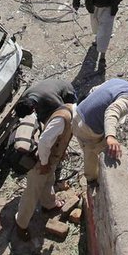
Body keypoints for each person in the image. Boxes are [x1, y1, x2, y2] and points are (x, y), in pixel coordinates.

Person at [13, 81, 77, 241]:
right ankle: (21, 225)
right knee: (31, 193)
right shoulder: (62, 117)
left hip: (48, 155)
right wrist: (44, 163)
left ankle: (49, 205)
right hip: (39, 159)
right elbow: (45, 140)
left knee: (49, 179)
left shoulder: (63, 110)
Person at [72, 77, 128, 182]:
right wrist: (111, 136)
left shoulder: (118, 81)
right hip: (87, 128)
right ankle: (92, 179)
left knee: (89, 144)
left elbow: (94, 90)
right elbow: (112, 111)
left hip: (77, 114)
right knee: (93, 152)